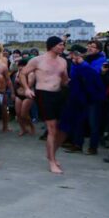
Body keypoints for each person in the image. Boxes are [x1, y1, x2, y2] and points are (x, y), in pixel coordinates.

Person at [20, 36, 70, 174]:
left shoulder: (63, 61)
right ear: (52, 46)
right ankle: (52, 161)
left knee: (63, 130)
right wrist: (27, 89)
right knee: (52, 129)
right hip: (44, 94)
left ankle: (51, 153)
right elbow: (22, 73)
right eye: (60, 45)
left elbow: (64, 79)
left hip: (59, 94)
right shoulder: (38, 60)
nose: (62, 47)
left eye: (63, 45)